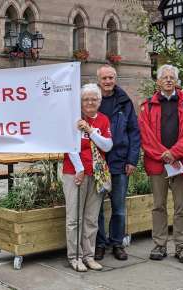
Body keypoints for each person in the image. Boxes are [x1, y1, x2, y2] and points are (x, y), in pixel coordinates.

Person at [138, 65, 183, 264]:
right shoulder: (148, 105)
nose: (169, 80)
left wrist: (175, 153)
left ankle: (181, 246)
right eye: (165, 77)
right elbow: (145, 136)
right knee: (158, 206)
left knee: (182, 206)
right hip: (157, 163)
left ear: (177, 81)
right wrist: (164, 155)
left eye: (172, 77)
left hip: (180, 162)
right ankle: (160, 244)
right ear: (158, 81)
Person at [63, 84, 113, 272]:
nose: (90, 102)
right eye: (86, 99)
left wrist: (91, 131)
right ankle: (74, 257)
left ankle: (88, 256)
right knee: (74, 218)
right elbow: (69, 145)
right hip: (75, 173)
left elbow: (107, 146)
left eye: (94, 99)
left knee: (91, 219)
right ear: (80, 101)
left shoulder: (103, 120)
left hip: (96, 174)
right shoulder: (74, 119)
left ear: (99, 101)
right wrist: (79, 168)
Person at [95, 65, 141, 261]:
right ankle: (99, 244)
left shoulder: (124, 101)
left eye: (111, 78)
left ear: (115, 79)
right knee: (96, 208)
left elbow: (134, 131)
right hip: (98, 163)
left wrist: (132, 159)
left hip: (120, 161)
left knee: (119, 208)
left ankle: (117, 243)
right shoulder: (91, 100)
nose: (107, 81)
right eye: (104, 78)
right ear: (99, 80)